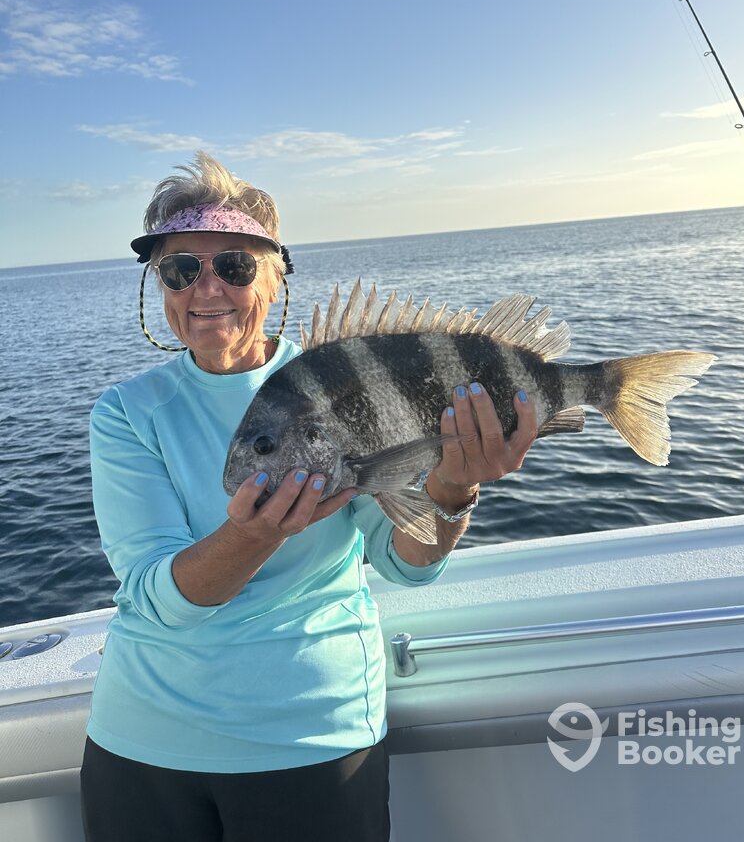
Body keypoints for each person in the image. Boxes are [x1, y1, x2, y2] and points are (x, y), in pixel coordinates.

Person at [80, 150, 537, 842]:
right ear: (162, 288)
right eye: (180, 270)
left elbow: (408, 563)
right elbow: (157, 597)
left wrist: (454, 482)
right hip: (142, 740)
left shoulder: (340, 380)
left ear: (274, 280)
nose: (207, 287)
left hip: (313, 734)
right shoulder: (127, 412)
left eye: (235, 266)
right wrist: (253, 536)